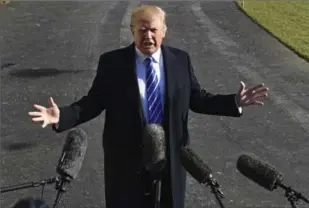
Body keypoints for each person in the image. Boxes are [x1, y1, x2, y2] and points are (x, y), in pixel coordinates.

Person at [28, 5, 268, 208]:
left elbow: (197, 98)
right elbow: (92, 102)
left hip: (171, 163)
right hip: (126, 164)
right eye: (142, 30)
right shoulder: (112, 63)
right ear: (132, 31)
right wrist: (61, 116)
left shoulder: (180, 60)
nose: (148, 36)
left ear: (164, 31)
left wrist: (233, 102)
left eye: (153, 30)